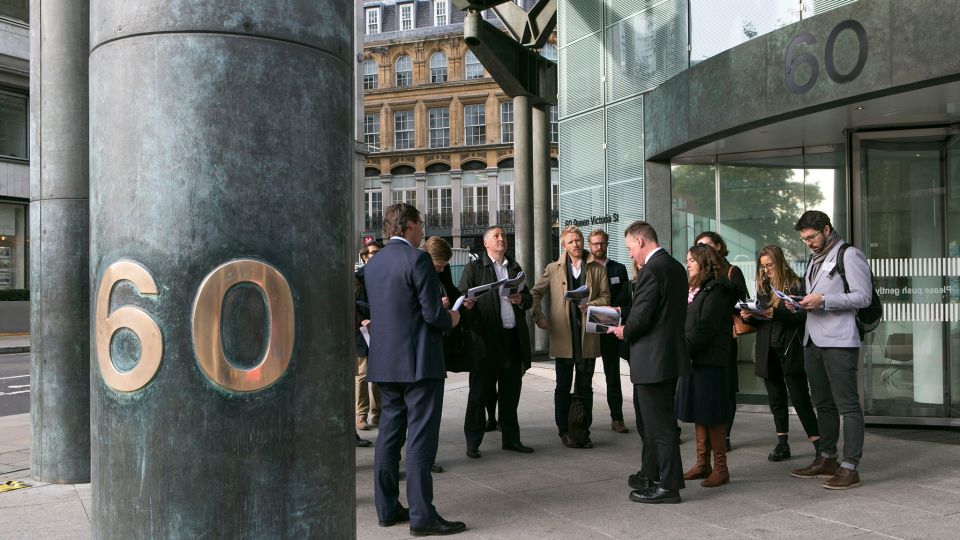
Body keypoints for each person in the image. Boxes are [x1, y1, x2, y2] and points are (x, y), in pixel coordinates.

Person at [364, 203, 466, 535]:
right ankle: (422, 516)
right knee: (421, 440)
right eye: (420, 223)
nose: (423, 229)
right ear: (408, 226)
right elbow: (431, 315)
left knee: (388, 438)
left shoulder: (373, 263)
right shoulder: (418, 259)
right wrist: (452, 317)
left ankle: (387, 508)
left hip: (385, 363)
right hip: (419, 363)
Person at [609, 221, 689, 504]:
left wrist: (624, 330)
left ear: (641, 242)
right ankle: (652, 475)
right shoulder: (675, 267)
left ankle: (668, 486)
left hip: (653, 360)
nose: (630, 254)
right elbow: (660, 308)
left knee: (660, 427)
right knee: (658, 422)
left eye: (631, 247)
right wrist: (624, 312)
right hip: (667, 358)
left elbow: (642, 317)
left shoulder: (652, 270)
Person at [790, 210, 871, 490]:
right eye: (804, 239)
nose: (809, 243)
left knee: (847, 405)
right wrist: (799, 302)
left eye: (811, 237)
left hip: (839, 341)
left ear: (826, 229)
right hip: (813, 339)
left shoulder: (848, 255)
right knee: (822, 403)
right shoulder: (815, 258)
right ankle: (827, 458)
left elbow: (863, 297)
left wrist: (823, 300)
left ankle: (850, 467)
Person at [458, 226, 535, 458]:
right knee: (479, 394)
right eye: (496, 236)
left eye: (503, 236)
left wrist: (522, 299)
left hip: (512, 337)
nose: (502, 239)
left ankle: (511, 439)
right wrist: (468, 306)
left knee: (511, 394)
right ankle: (473, 442)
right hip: (486, 340)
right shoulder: (474, 268)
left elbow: (529, 298)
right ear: (486, 244)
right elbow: (462, 299)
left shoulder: (514, 268)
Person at [531, 225, 610, 448]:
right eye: (572, 241)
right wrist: (539, 316)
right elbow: (535, 292)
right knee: (563, 386)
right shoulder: (553, 268)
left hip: (587, 336)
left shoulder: (597, 267)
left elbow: (606, 297)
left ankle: (582, 430)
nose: (576, 244)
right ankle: (564, 430)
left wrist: (590, 304)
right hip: (564, 336)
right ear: (563, 245)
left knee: (585, 386)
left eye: (579, 240)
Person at [741, 245, 820, 462]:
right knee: (776, 399)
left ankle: (820, 447)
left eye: (770, 265)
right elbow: (764, 319)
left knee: (800, 398)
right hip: (768, 349)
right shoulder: (764, 287)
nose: (766, 270)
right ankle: (782, 443)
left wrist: (775, 313)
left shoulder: (796, 283)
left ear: (780, 262)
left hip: (789, 348)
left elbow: (802, 318)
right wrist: (751, 316)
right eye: (763, 266)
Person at [676, 245, 734, 488]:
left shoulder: (716, 290)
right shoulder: (695, 289)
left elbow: (704, 329)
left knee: (713, 414)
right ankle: (702, 464)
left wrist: (682, 349)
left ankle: (721, 468)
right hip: (695, 359)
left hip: (710, 360)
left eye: (692, 260)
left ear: (704, 262)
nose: (688, 264)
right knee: (700, 412)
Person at [694, 231, 747, 452]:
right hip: (701, 338)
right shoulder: (698, 273)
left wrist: (719, 302)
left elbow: (744, 301)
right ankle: (707, 440)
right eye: (698, 247)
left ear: (718, 247)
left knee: (725, 387)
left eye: (706, 246)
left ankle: (724, 435)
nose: (702, 251)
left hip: (724, 335)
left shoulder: (731, 271)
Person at [587, 229, 631, 434]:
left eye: (602, 243)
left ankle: (617, 418)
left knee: (612, 374)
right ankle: (583, 420)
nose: (599, 247)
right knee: (585, 374)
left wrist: (612, 316)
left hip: (611, 327)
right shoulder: (585, 268)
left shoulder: (619, 269)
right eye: (595, 244)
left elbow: (624, 299)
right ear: (590, 245)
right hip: (589, 327)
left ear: (607, 244)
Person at [355, 242, 382, 431]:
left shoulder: (384, 276)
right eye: (372, 253)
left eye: (378, 253)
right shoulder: (356, 279)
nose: (375, 256)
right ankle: (361, 416)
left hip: (382, 332)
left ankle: (378, 415)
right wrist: (362, 320)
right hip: (362, 332)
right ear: (365, 257)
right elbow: (348, 303)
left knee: (380, 375)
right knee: (363, 376)